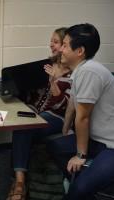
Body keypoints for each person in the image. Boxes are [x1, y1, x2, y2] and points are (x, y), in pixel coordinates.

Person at [47, 23, 114, 200]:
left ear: (79, 51)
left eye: (65, 45)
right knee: (55, 146)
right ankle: (84, 185)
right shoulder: (80, 71)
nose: (60, 50)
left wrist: (80, 155)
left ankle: (81, 188)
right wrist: (67, 130)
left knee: (79, 190)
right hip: (98, 139)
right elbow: (73, 107)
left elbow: (83, 118)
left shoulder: (89, 71)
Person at [7, 28, 72, 200]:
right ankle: (20, 178)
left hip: (59, 117)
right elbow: (32, 94)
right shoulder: (46, 65)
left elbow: (65, 105)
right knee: (19, 123)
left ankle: (19, 183)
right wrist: (12, 87)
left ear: (67, 46)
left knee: (25, 128)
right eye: (52, 41)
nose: (51, 44)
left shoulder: (75, 72)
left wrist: (54, 82)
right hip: (36, 112)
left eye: (57, 42)